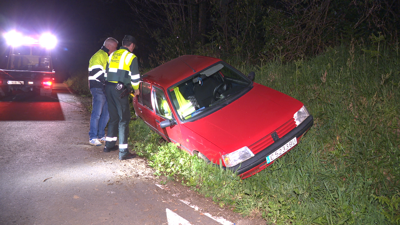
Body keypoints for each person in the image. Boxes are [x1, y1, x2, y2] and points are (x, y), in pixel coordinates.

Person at [104, 35, 140, 160]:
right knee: (124, 119)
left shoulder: (113, 54)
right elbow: (135, 77)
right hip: (119, 90)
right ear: (131, 45)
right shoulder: (131, 56)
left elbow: (106, 72)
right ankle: (123, 152)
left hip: (108, 87)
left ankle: (109, 145)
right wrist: (136, 89)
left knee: (113, 117)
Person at [88, 37, 118, 146]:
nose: (115, 50)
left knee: (107, 113)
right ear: (109, 46)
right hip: (97, 88)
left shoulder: (106, 56)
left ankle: (101, 135)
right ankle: (92, 137)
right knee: (97, 113)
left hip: (104, 88)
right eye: (115, 47)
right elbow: (97, 74)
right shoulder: (98, 56)